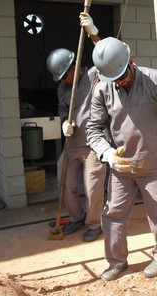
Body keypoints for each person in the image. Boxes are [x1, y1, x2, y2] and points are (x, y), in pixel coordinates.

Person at [85, 37, 157, 281]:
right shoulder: (102, 88)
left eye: (122, 76)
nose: (119, 82)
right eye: (114, 79)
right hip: (122, 165)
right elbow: (94, 128)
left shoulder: (156, 79)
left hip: (154, 162)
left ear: (131, 62)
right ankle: (116, 261)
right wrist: (107, 153)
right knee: (113, 215)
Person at [46, 47, 107, 242]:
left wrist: (94, 35)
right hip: (72, 143)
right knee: (65, 180)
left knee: (92, 186)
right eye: (60, 78)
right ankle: (76, 217)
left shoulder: (94, 76)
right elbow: (62, 107)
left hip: (94, 143)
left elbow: (107, 57)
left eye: (65, 76)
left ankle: (94, 224)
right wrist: (64, 121)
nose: (63, 80)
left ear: (74, 67)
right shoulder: (62, 88)